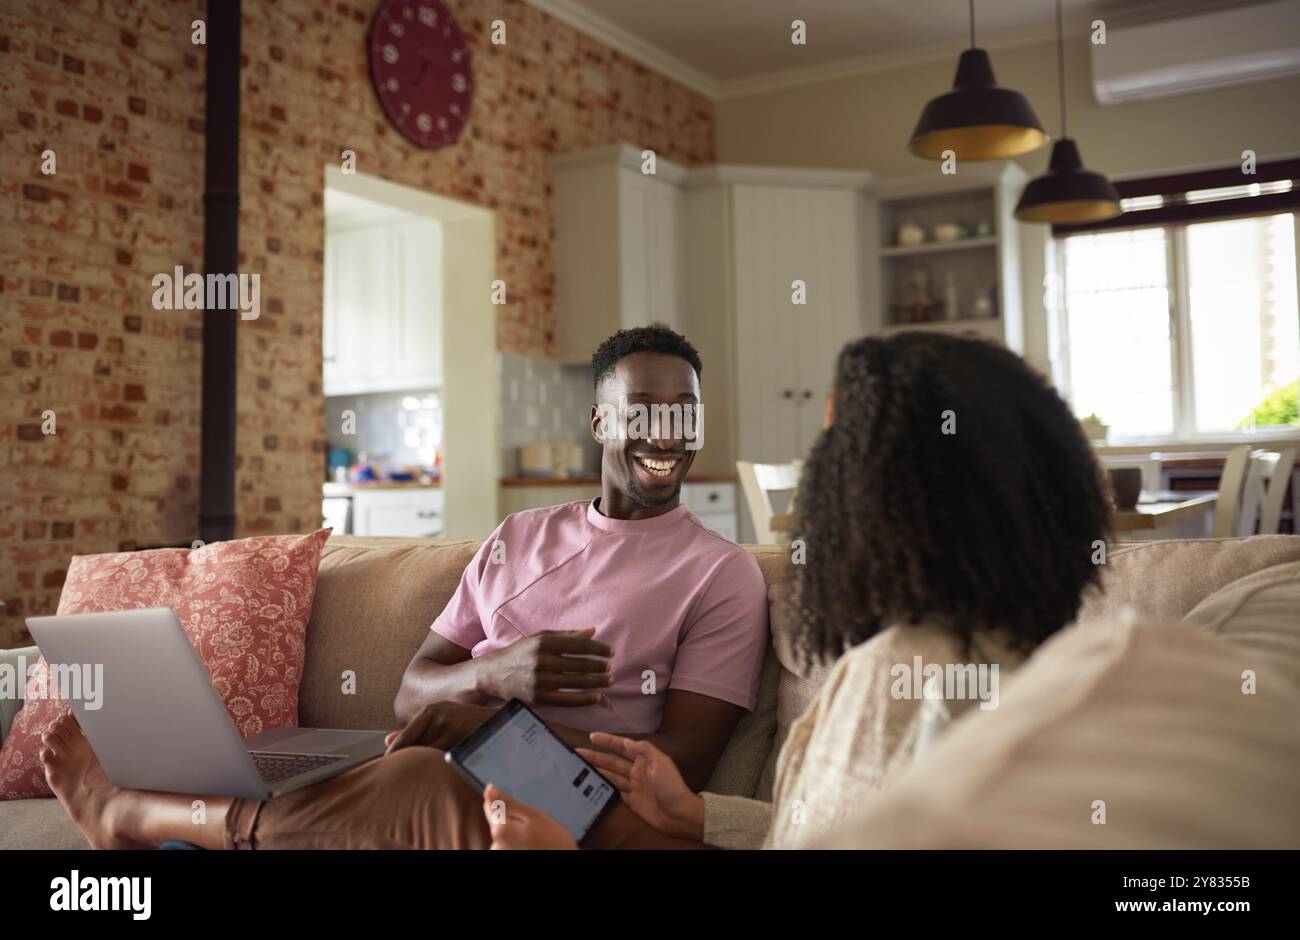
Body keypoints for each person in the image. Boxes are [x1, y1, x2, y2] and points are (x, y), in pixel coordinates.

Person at [40, 326, 770, 849]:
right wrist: (493, 677)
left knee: (422, 784)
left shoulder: (721, 572)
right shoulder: (518, 536)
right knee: (330, 764)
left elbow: (682, 768)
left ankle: (142, 820)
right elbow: (411, 691)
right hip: (455, 759)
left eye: (686, 411)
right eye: (644, 409)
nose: (668, 433)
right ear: (600, 420)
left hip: (589, 800)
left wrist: (499, 729)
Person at [480, 331, 1112, 849]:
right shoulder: (1092, 652)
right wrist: (699, 818)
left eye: (835, 453)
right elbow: (840, 831)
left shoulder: (904, 678)